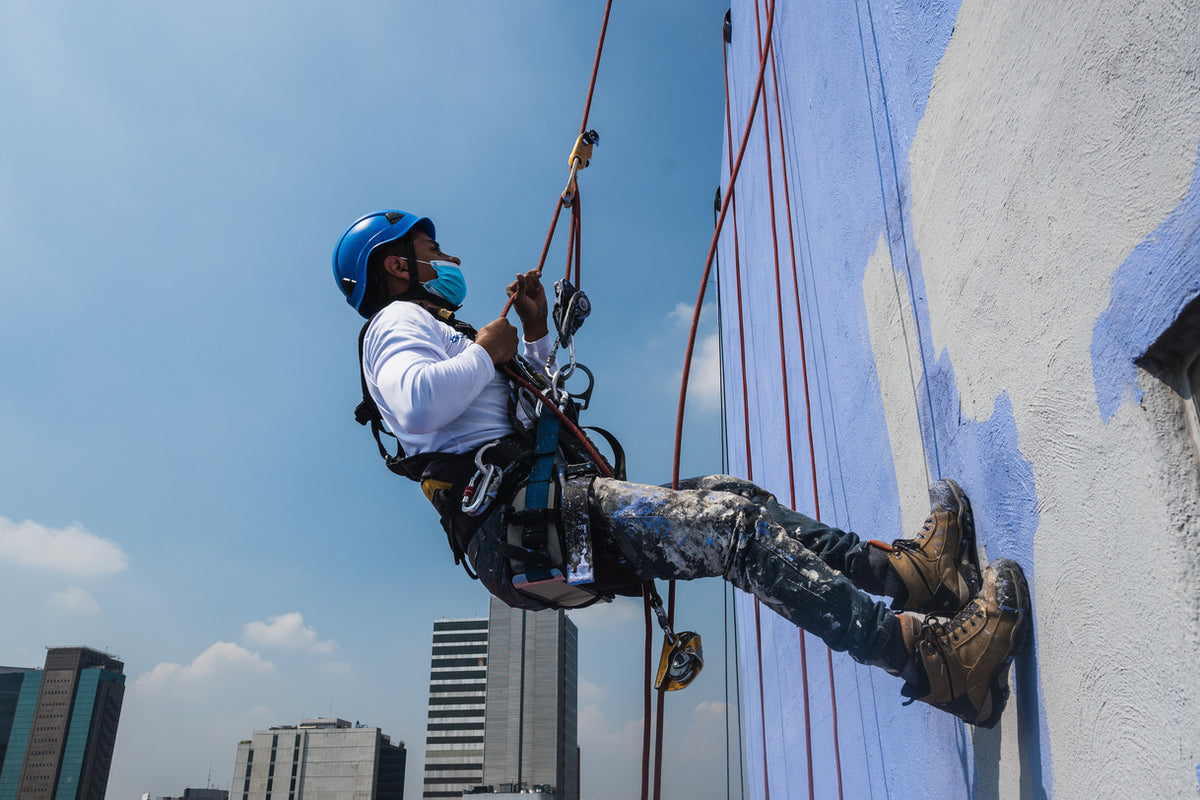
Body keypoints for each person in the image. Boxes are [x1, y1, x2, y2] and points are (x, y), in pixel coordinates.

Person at [332, 209, 1030, 728]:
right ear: (398, 264)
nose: (443, 254)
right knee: (729, 530)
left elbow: (526, 411)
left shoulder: (444, 331)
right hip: (526, 522)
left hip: (545, 512)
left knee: (733, 500)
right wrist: (487, 349)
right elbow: (415, 404)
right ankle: (938, 667)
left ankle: (913, 578)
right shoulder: (395, 327)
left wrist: (535, 336)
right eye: (429, 247)